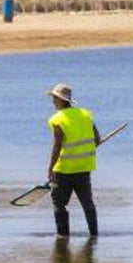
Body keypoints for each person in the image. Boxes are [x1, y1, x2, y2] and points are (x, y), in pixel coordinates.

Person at [45, 83, 101, 239]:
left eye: (54, 98)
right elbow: (97, 139)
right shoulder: (85, 114)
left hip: (63, 169)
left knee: (59, 204)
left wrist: (50, 169)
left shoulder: (57, 119)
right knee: (87, 203)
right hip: (84, 168)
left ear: (60, 100)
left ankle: (63, 238)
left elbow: (57, 146)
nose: (53, 101)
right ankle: (94, 235)